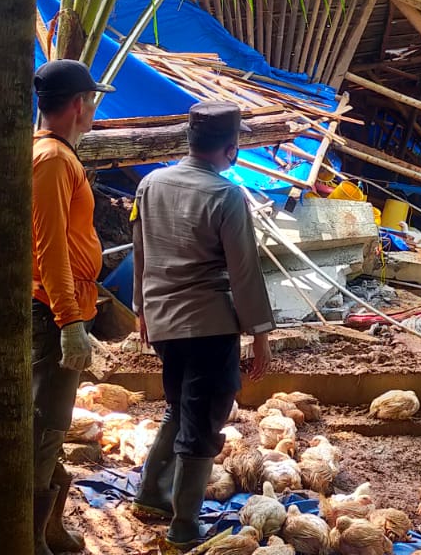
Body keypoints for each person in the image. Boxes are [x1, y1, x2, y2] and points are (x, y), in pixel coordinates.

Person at [128, 101, 275, 547]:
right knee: (203, 422)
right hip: (209, 325)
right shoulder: (226, 195)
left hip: (164, 324)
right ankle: (185, 525)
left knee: (178, 406)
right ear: (232, 150)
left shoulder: (150, 184)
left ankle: (152, 493)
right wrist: (261, 335)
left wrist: (141, 310)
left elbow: (141, 252)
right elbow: (244, 270)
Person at [29, 59, 114, 555]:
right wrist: (69, 322)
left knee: (52, 419)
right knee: (47, 419)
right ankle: (30, 535)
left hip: (59, 301)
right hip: (50, 307)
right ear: (80, 104)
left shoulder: (54, 154)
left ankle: (47, 528)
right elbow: (50, 248)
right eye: (93, 100)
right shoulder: (54, 160)